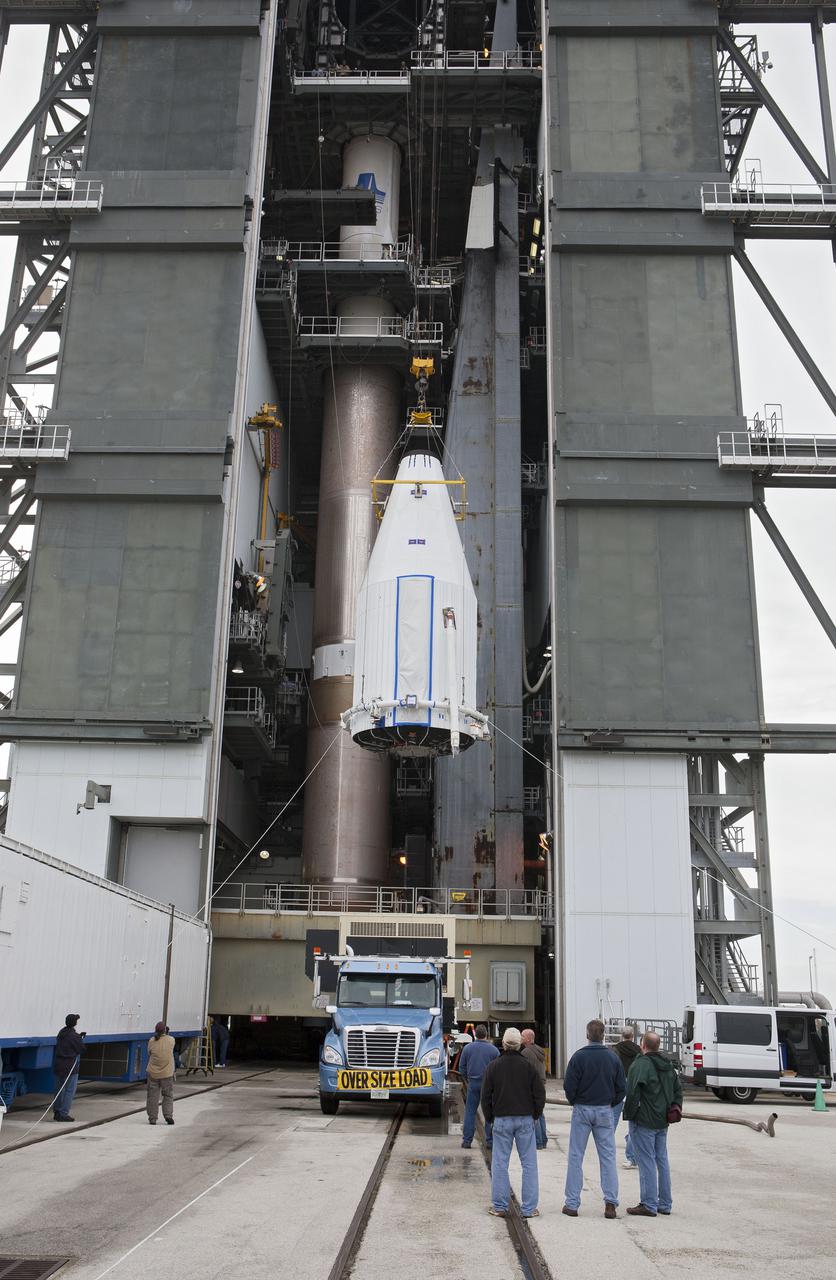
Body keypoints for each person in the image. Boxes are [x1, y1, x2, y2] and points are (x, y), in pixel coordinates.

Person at [562, 1018, 626, 1219]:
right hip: (604, 1110)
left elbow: (569, 1086)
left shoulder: (578, 1057)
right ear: (604, 1035)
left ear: (587, 1035)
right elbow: (621, 1088)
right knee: (607, 1157)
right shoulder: (613, 1058)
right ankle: (610, 1203)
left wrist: (576, 1101)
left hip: (582, 1108)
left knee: (575, 1156)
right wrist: (609, 1102)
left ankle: (572, 1204)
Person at [481, 1027, 544, 1219]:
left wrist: (490, 1118)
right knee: (529, 1164)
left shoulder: (494, 1066)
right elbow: (539, 1095)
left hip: (501, 1119)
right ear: (519, 1045)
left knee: (500, 1163)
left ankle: (500, 1206)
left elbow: (485, 1097)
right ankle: (529, 1208)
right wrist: (534, 1115)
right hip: (525, 1119)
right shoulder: (529, 1066)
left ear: (503, 1044)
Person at [623, 1031, 683, 1217]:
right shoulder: (668, 1066)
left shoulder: (641, 1064)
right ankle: (664, 1203)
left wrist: (630, 1115)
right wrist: (674, 1109)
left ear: (643, 1045)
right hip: (662, 1120)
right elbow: (678, 1092)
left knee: (646, 1161)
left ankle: (649, 1203)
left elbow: (633, 1092)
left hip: (644, 1120)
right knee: (661, 1160)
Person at [458, 1024, 499, 1149]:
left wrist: (467, 1079)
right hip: (488, 1085)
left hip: (473, 1084)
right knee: (489, 1113)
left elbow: (461, 1067)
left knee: (470, 1112)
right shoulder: (494, 1050)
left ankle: (467, 1141)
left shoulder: (467, 1048)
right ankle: (490, 1142)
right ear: (486, 1034)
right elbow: (498, 1069)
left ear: (475, 1035)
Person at [611, 1025, 641, 1169]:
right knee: (633, 1124)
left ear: (621, 1035)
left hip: (619, 1086)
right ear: (633, 1036)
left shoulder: (615, 1049)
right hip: (634, 1086)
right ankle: (631, 1157)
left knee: (612, 1122)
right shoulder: (639, 1051)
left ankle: (607, 1152)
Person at [53, 1013, 85, 1122]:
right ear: (75, 1023)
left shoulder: (61, 1033)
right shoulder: (74, 1036)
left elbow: (67, 1043)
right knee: (69, 1090)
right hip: (70, 1066)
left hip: (59, 1064)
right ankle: (63, 1113)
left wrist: (78, 1037)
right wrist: (81, 1039)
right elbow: (81, 1049)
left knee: (59, 1089)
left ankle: (57, 1111)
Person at [520, 1029, 548, 1149]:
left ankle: (538, 1142)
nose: (520, 1038)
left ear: (528, 1039)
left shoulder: (526, 1052)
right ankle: (543, 1139)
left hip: (533, 1085)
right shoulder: (539, 1050)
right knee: (540, 1112)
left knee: (533, 1114)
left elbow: (524, 1071)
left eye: (522, 1036)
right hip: (542, 1084)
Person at [146, 1021, 176, 1126]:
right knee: (167, 1095)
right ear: (165, 1030)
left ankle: (152, 1118)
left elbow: (149, 1053)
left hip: (153, 1073)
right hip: (167, 1073)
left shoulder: (151, 1041)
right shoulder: (171, 1040)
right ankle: (168, 1116)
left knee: (152, 1096)